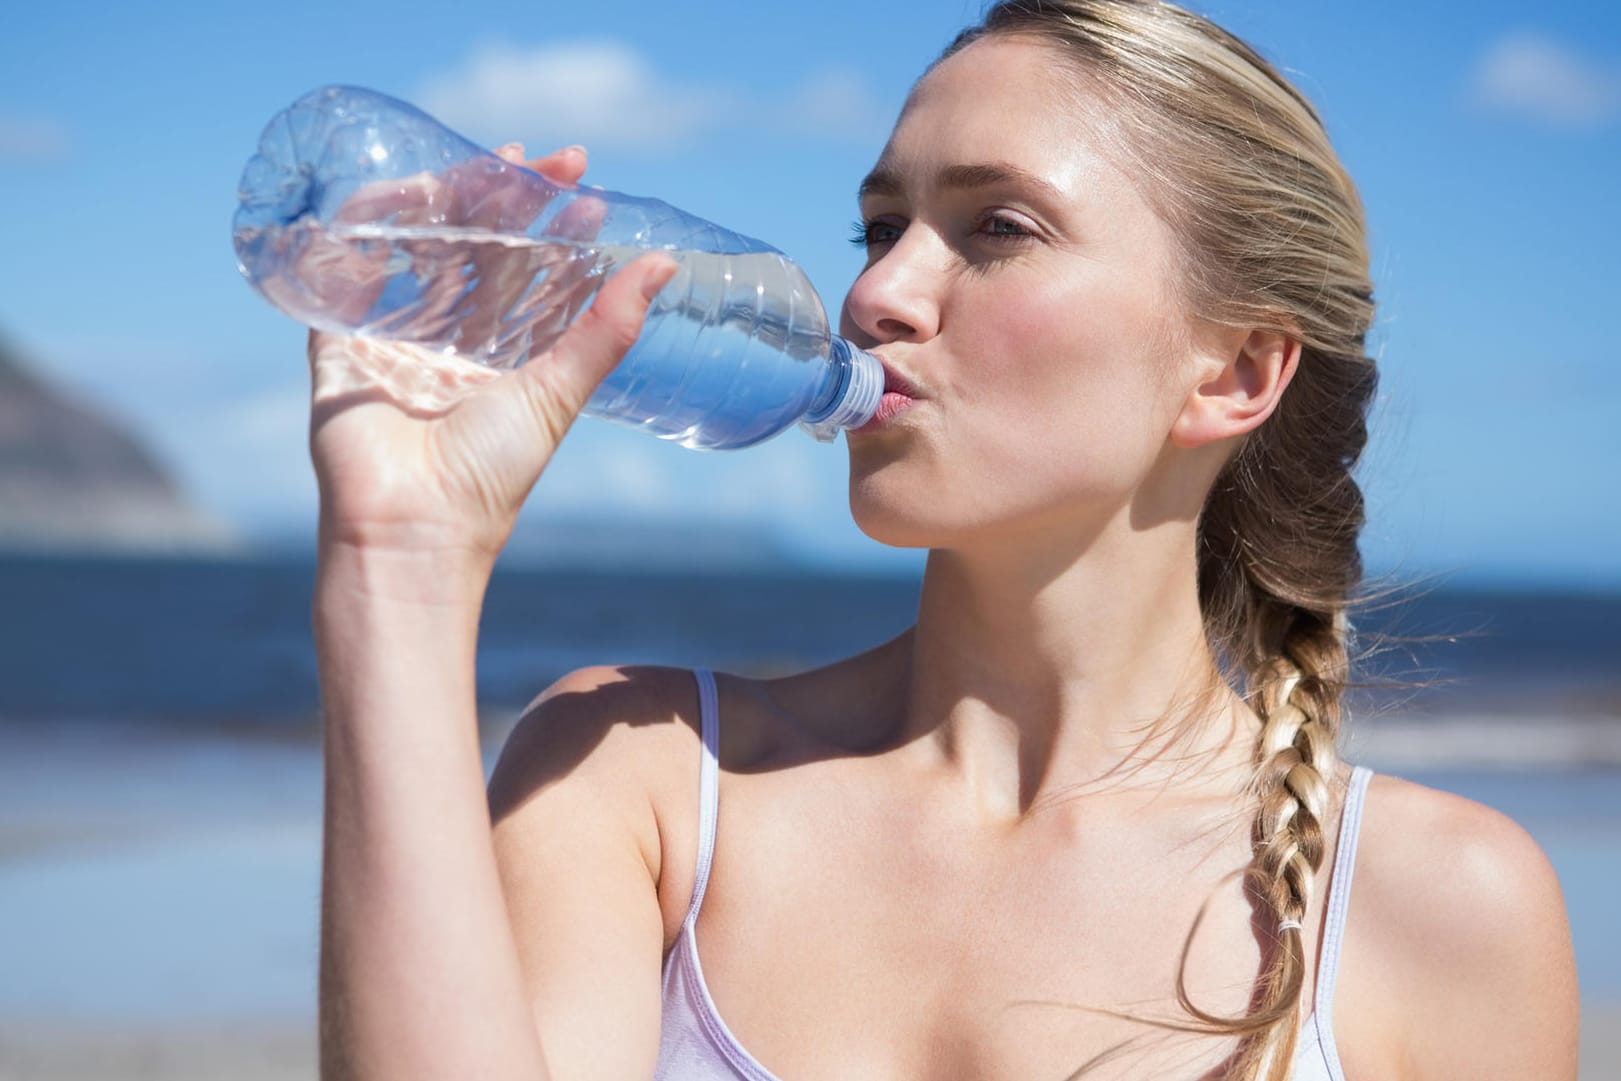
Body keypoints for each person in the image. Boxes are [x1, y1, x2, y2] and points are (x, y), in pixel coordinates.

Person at [307, 2, 1579, 1079]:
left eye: (997, 229)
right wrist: (396, 565)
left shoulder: (1435, 907)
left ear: (1235, 370)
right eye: (878, 227)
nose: (873, 295)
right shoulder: (637, 786)